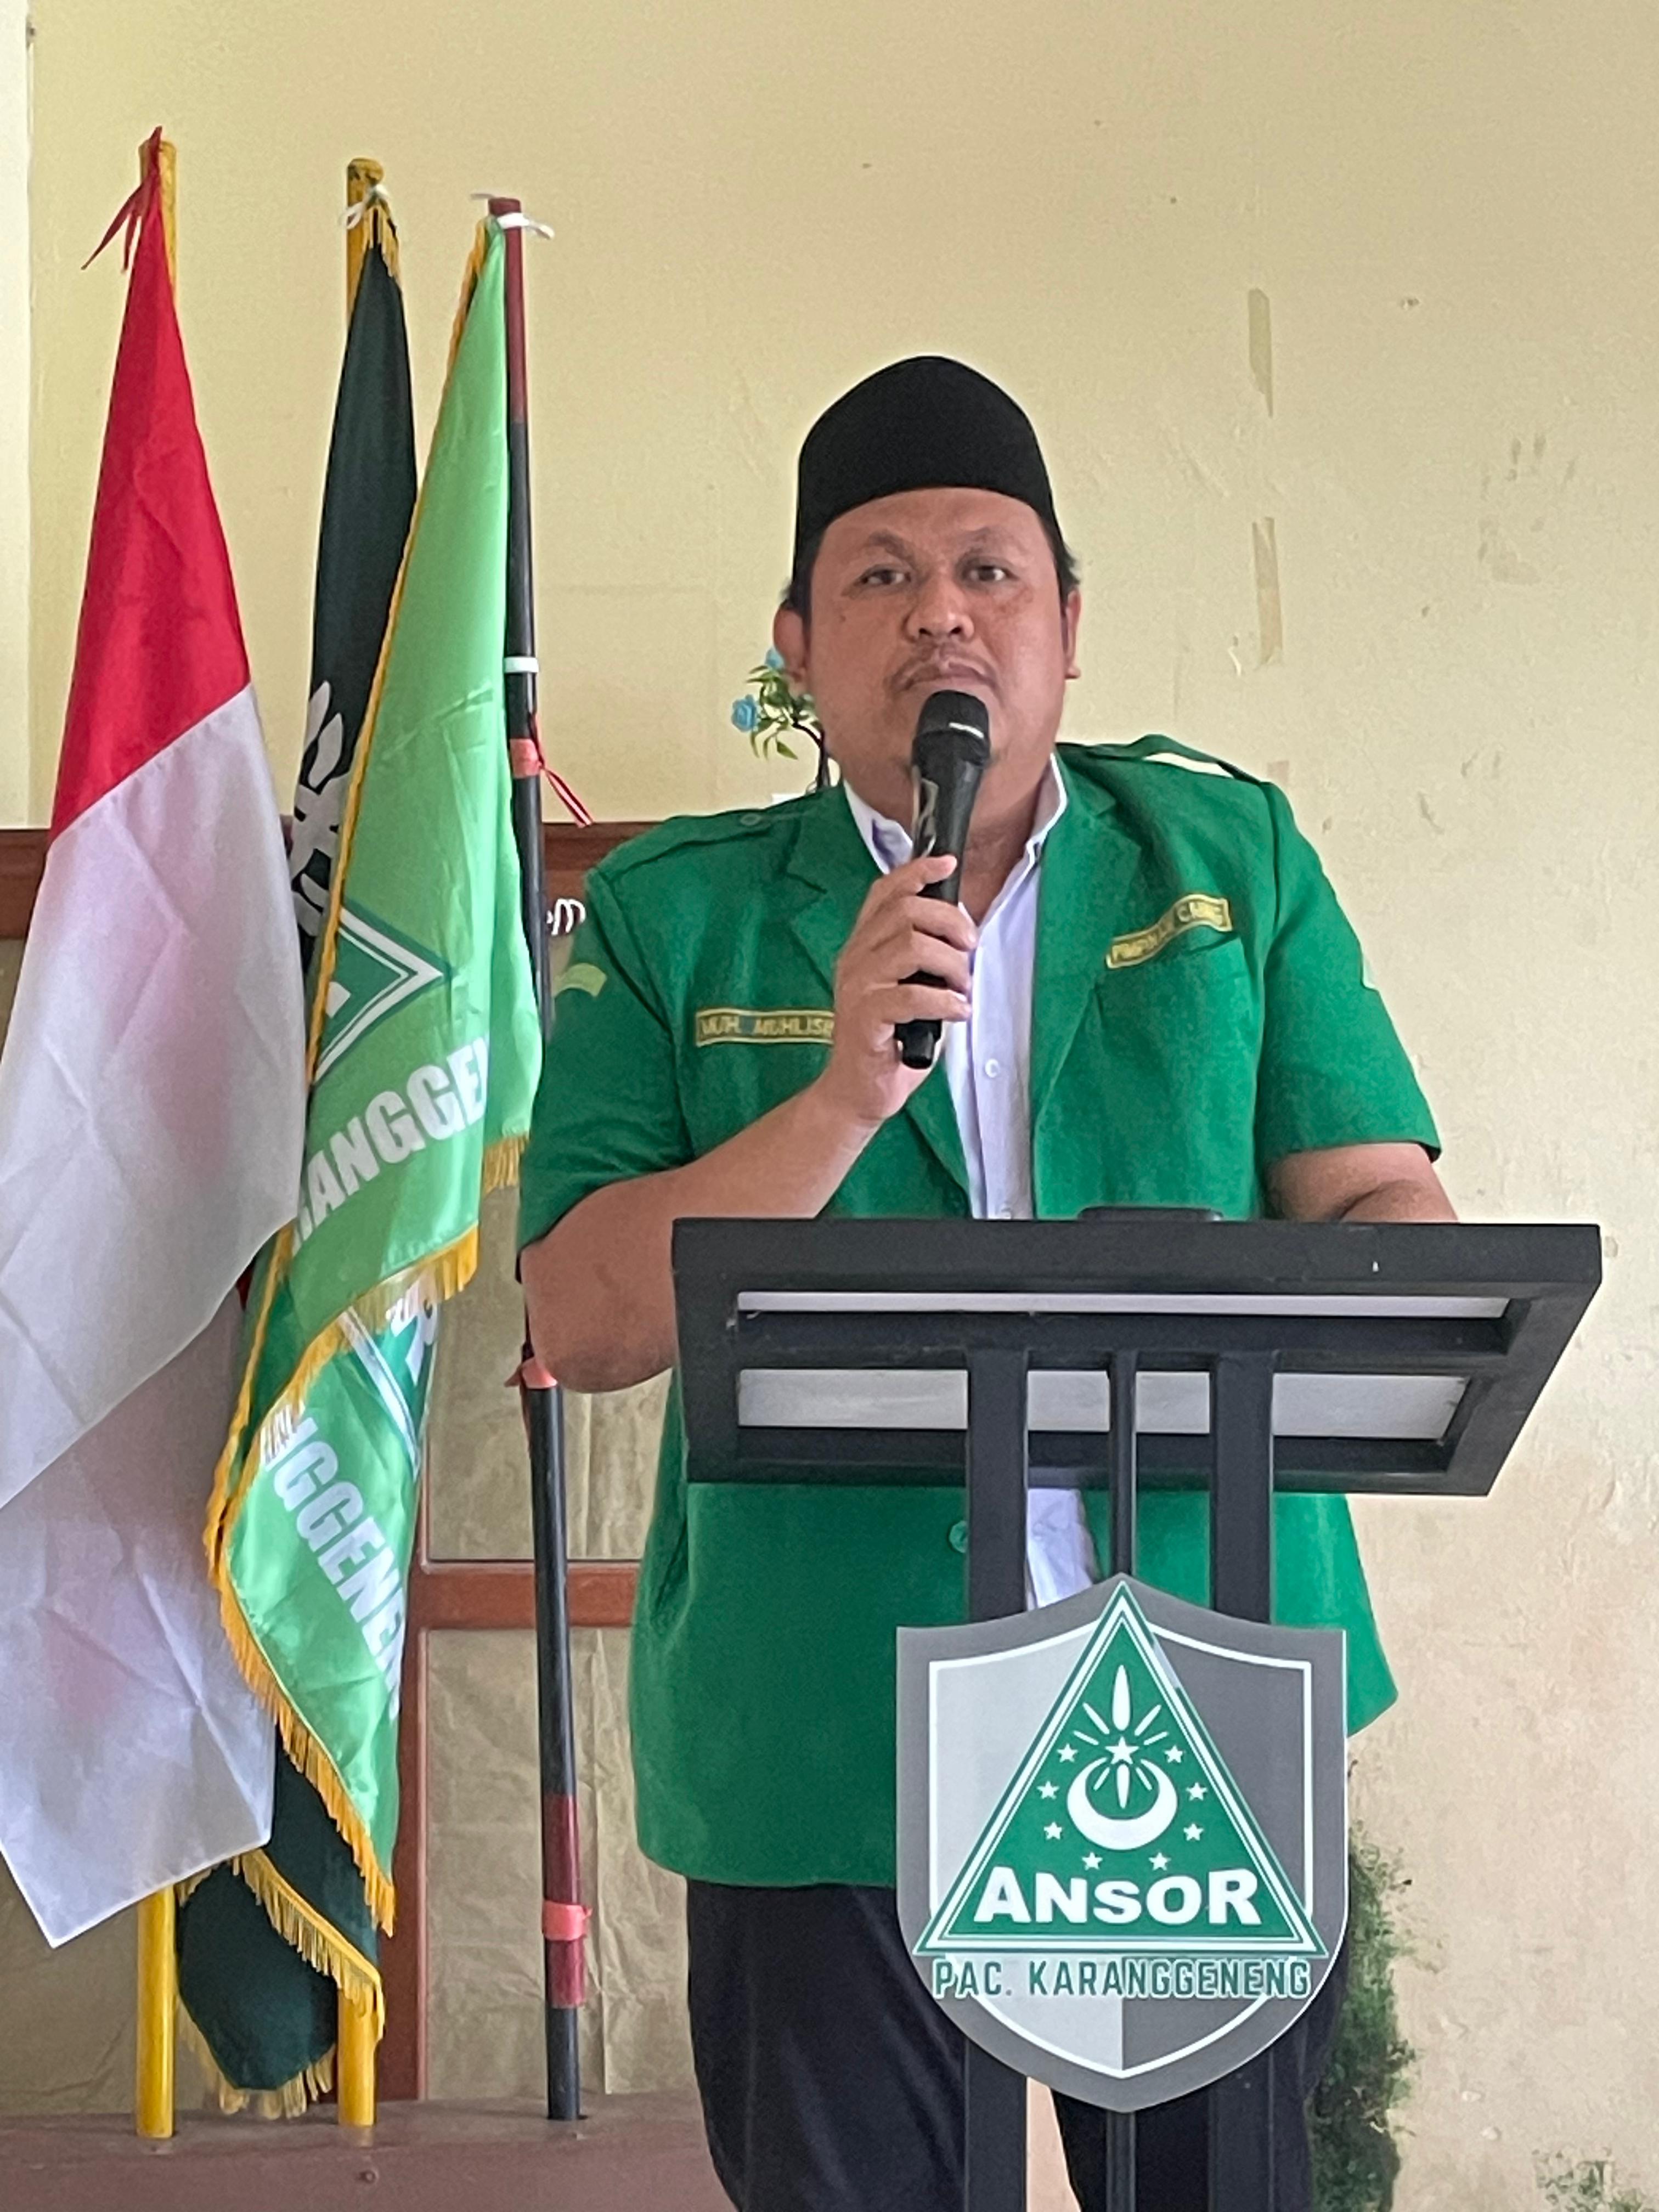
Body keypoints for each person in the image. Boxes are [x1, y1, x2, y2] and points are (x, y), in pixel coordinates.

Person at [518, 355, 1455, 2212]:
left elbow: (1372, 1191)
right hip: (824, 1720)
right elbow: (583, 1315)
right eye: (879, 575)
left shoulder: (1229, 860)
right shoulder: (675, 913)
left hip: (1190, 1693)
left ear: (1068, 628)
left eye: (988, 570)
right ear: (797, 646)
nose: (940, 613)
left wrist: (1412, 1293)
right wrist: (841, 1094)